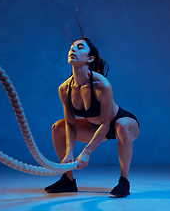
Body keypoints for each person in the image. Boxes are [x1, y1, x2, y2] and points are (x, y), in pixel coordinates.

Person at [45, 11, 139, 198]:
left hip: (118, 122)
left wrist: (86, 152)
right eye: (72, 47)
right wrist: (69, 153)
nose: (73, 50)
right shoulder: (65, 88)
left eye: (80, 47)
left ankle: (124, 182)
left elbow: (106, 123)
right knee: (58, 127)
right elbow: (70, 123)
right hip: (93, 127)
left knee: (121, 127)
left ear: (90, 59)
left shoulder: (101, 85)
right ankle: (68, 180)